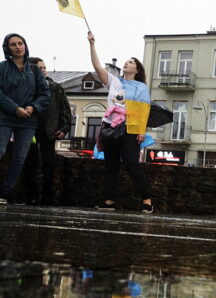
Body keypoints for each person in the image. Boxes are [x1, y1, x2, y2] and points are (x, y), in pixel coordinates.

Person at [87, 31, 153, 213]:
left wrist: (141, 131)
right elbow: (98, 67)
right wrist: (92, 44)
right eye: (126, 61)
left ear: (137, 69)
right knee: (111, 165)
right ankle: (109, 201)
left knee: (132, 163)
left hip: (130, 129)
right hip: (110, 128)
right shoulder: (114, 81)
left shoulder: (141, 87)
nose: (126, 63)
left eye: (131, 62)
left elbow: (143, 110)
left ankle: (147, 200)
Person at [0, 33, 50, 205]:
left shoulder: (35, 70)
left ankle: (5, 193)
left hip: (28, 121)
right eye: (13, 44)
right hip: (5, 117)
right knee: (0, 150)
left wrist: (33, 107)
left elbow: (44, 94)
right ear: (7, 48)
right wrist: (15, 108)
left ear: (25, 45)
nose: (17, 47)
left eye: (20, 43)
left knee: (19, 157)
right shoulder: (2, 67)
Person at [22, 57, 72, 205]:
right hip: (29, 130)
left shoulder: (55, 87)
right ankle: (31, 195)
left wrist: (64, 128)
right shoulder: (26, 87)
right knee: (29, 163)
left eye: (45, 67)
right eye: (40, 68)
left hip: (49, 131)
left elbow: (65, 110)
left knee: (48, 165)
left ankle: (47, 197)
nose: (43, 70)